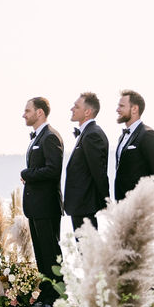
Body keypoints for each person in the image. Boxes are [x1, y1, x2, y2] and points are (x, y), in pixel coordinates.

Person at [20, 97, 64, 307]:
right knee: (42, 257)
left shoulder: (50, 137)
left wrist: (27, 174)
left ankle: (55, 301)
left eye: (27, 110)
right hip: (36, 208)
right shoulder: (38, 137)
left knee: (51, 255)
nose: (24, 114)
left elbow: (53, 170)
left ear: (40, 112)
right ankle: (45, 296)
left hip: (47, 207)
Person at [63, 92, 109, 231]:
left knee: (87, 251)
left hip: (85, 206)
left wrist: (105, 201)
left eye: (76, 106)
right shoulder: (87, 133)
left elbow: (98, 171)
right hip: (80, 205)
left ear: (87, 112)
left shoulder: (92, 134)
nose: (72, 109)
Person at [113, 89, 154, 200]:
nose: (117, 110)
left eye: (121, 106)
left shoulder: (148, 135)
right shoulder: (121, 138)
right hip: (123, 206)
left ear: (134, 109)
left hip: (142, 206)